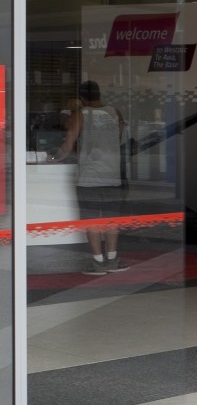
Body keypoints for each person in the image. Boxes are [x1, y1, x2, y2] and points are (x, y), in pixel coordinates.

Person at [56, 81, 129, 275]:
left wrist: (53, 157)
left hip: (89, 176)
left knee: (91, 220)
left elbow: (68, 144)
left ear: (81, 97)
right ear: (99, 94)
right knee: (112, 220)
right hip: (112, 175)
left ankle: (98, 263)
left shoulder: (79, 115)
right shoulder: (115, 113)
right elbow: (120, 139)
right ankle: (113, 260)